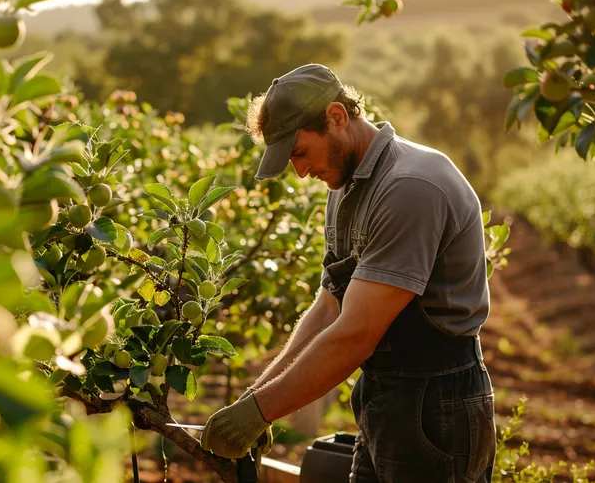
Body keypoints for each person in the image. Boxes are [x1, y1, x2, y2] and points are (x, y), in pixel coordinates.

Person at [199, 63, 497, 482]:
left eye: (299, 153)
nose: (300, 172)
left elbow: (356, 333)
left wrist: (258, 412)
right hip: (385, 396)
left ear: (336, 117)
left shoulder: (409, 187)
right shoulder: (346, 188)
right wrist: (258, 398)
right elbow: (328, 309)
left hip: (436, 403)